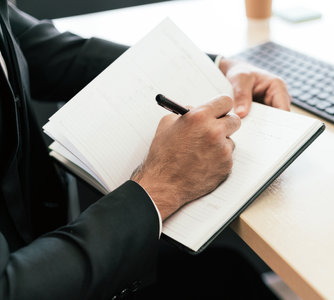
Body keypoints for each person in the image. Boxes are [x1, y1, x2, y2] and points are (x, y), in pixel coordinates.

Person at [0, 1, 291, 299]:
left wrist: (218, 69)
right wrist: (161, 188)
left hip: (52, 244)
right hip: (47, 274)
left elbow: (43, 50)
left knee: (228, 272)